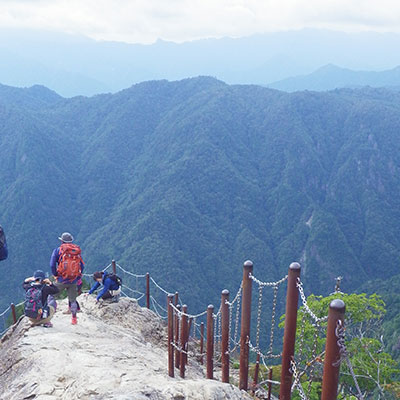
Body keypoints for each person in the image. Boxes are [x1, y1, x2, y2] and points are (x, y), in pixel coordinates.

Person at [50, 232, 84, 325]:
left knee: (51, 295)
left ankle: (49, 315)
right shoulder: (76, 251)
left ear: (62, 241)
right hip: (73, 279)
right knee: (72, 299)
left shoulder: (57, 251)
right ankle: (74, 319)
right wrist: (78, 276)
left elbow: (52, 264)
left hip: (61, 279)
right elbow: (81, 265)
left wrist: (56, 274)